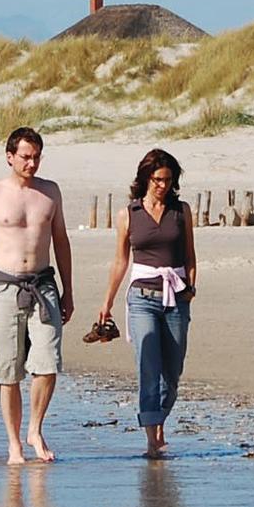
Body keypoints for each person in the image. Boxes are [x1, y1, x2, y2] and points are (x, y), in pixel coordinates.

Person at [0, 126, 74, 464]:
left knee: (48, 363)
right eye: (25, 156)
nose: (31, 163)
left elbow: (61, 241)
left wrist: (68, 291)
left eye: (36, 157)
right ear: (10, 157)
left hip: (43, 284)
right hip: (4, 287)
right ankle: (13, 443)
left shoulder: (50, 192)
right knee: (7, 370)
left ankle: (35, 429)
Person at [97, 148, 196, 457]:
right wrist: (107, 302)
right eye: (157, 180)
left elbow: (190, 255)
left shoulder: (182, 211)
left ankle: (159, 418)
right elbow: (120, 261)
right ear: (145, 178)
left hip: (176, 295)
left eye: (168, 180)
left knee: (172, 372)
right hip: (141, 297)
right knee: (148, 365)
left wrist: (191, 288)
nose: (163, 186)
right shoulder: (129, 214)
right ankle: (152, 438)